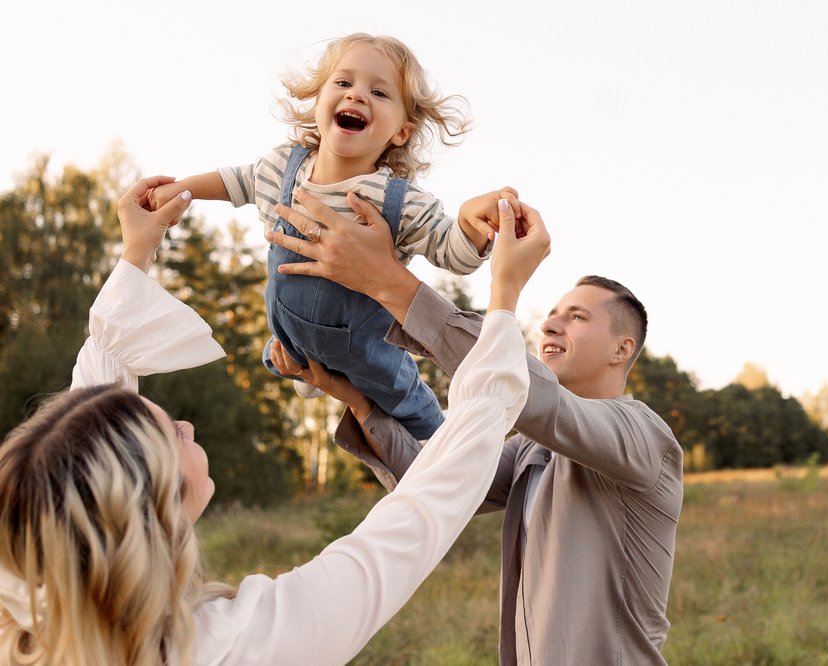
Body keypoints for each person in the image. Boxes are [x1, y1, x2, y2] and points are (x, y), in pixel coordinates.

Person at [0, 175, 550, 665]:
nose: (187, 426)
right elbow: (421, 511)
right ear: (146, 512)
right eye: (169, 431)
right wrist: (503, 299)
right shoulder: (236, 647)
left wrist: (137, 250)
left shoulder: (29, 606)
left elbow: (83, 435)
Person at [266, 191, 684, 664]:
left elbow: (531, 395)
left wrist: (389, 284)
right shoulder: (533, 449)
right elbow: (434, 472)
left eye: (577, 317)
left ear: (621, 349)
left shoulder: (646, 438)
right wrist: (357, 401)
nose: (550, 326)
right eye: (551, 315)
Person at [148, 33, 518, 440]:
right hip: (291, 330)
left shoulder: (398, 200)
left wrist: (470, 223)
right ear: (317, 100)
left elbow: (455, 255)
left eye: (379, 92)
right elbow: (233, 181)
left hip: (367, 349)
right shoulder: (282, 169)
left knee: (408, 403)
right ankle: (301, 360)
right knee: (285, 343)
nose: (357, 95)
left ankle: (451, 450)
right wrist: (181, 190)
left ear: (401, 132)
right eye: (343, 83)